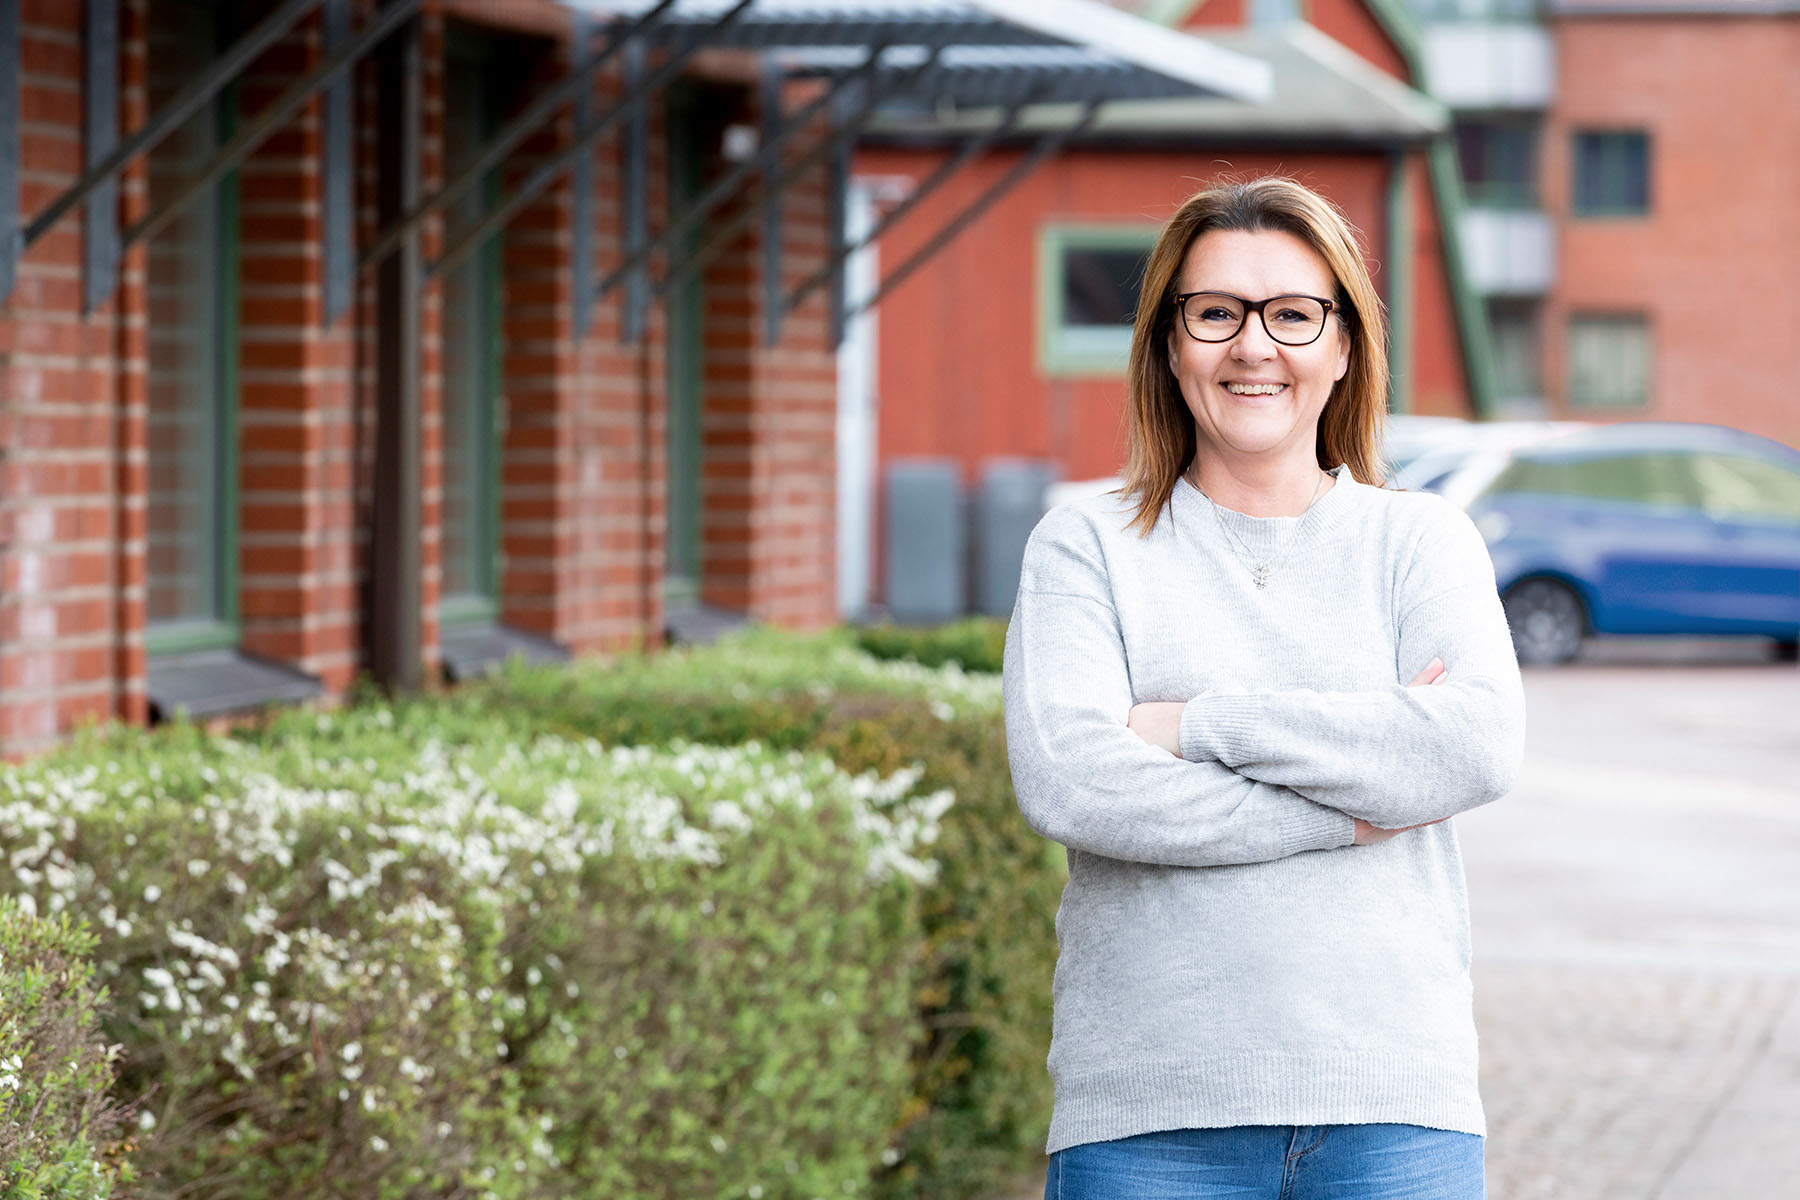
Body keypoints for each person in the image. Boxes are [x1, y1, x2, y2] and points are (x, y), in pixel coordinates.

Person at [1001, 176, 1527, 1200]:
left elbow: (1470, 747)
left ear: (1343, 345)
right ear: (1168, 342)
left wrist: (1197, 723)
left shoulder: (1419, 543)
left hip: (1392, 1110)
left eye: (1292, 313)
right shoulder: (1087, 548)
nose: (1253, 347)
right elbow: (1073, 782)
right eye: (1215, 313)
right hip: (1151, 1121)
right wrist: (1356, 806)